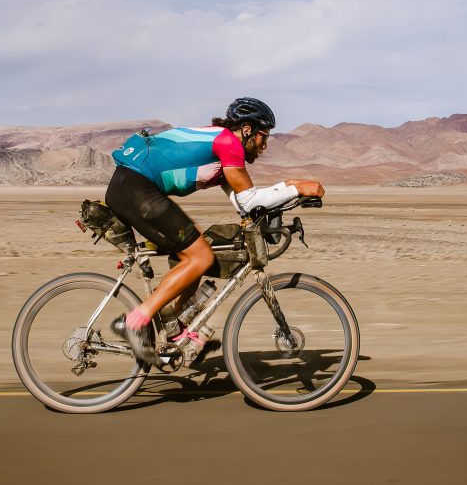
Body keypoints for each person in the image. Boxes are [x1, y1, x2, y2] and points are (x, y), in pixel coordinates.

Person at [104, 97, 325, 365]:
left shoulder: (221, 146)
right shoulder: (228, 144)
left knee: (198, 245)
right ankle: (134, 322)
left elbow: (244, 204)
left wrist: (289, 187)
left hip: (132, 186)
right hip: (135, 188)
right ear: (247, 130)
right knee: (201, 257)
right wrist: (295, 188)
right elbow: (249, 200)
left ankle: (175, 332)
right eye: (262, 137)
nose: (264, 146)